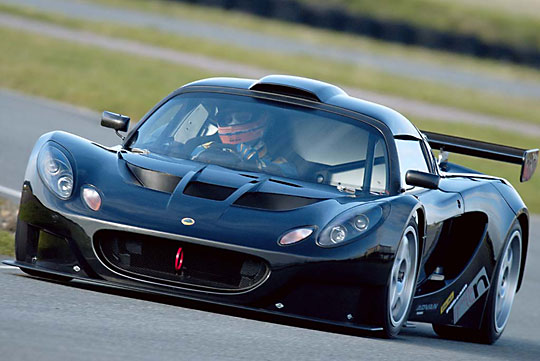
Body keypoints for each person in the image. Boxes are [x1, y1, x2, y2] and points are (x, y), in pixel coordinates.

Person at [190, 105, 297, 177]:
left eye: (242, 118)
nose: (233, 124)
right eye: (228, 120)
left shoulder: (277, 158)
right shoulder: (209, 146)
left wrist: (254, 165)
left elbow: (289, 172)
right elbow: (194, 154)